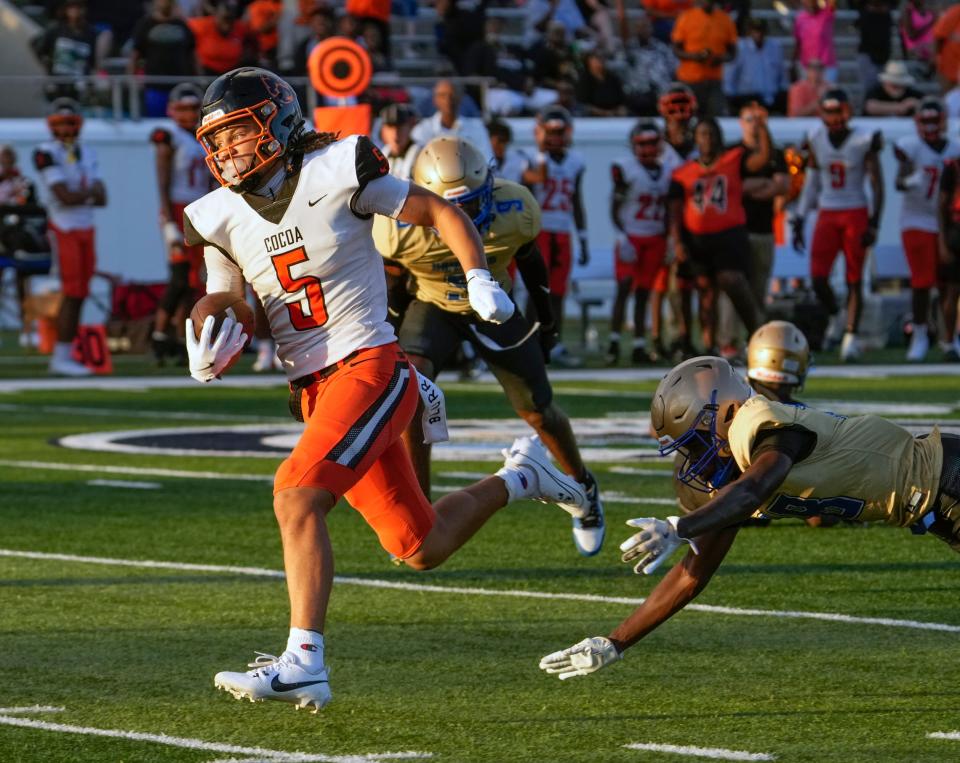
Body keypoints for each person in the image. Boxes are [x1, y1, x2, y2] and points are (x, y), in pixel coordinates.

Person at [184, 67, 593, 712]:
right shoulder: (217, 214)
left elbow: (434, 208)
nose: (227, 150)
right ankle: (522, 477)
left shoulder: (337, 167)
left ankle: (304, 660)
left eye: (239, 132)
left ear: (278, 122)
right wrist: (211, 331)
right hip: (315, 386)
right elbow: (229, 297)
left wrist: (479, 274)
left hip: (369, 365)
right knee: (418, 545)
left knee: (295, 496)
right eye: (218, 139)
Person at [538, 354, 958, 680]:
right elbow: (690, 575)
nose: (694, 459)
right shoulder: (738, 478)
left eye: (695, 442)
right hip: (937, 503)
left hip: (949, 480)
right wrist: (614, 642)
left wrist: (679, 527)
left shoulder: (761, 423)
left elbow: (754, 489)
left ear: (719, 413)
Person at [374, 136, 606, 557]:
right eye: (452, 207)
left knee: (538, 409)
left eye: (474, 203)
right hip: (433, 303)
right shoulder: (398, 227)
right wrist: (387, 335)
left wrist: (547, 322)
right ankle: (418, 506)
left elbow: (534, 266)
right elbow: (393, 284)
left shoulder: (513, 208)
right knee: (412, 389)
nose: (465, 216)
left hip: (493, 303)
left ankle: (582, 487)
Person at [792, 88, 883, 362]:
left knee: (854, 278)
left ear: (847, 111)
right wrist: (799, 216)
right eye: (829, 111)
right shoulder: (815, 137)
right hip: (827, 211)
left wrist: (874, 222)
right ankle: (837, 315)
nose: (834, 117)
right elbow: (813, 181)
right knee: (818, 279)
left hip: (855, 209)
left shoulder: (864, 139)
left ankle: (850, 338)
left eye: (838, 111)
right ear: (822, 112)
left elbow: (878, 185)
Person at [668, 115, 768, 354]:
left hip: (728, 236)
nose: (708, 139)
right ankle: (708, 346)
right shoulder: (683, 173)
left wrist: (762, 128)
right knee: (705, 291)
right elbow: (674, 211)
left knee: (733, 281)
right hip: (697, 239)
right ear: (696, 139)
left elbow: (762, 159)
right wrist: (678, 241)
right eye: (703, 134)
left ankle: (756, 335)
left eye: (712, 134)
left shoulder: (733, 160)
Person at [33, 98, 107, 377]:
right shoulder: (45, 152)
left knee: (81, 292)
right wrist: (86, 195)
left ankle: (66, 353)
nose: (65, 130)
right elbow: (63, 196)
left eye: (70, 124)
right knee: (72, 292)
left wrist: (81, 196)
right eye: (60, 125)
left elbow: (103, 197)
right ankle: (60, 354)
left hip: (86, 226)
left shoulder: (86, 151)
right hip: (63, 227)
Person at [894, 98, 960, 363]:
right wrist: (911, 180)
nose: (931, 126)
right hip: (916, 219)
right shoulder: (909, 147)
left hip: (946, 221)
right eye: (926, 121)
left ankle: (947, 337)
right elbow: (899, 180)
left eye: (935, 120)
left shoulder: (954, 149)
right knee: (921, 282)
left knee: (947, 284)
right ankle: (920, 334)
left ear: (943, 120)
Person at [148, 83, 209, 366]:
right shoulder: (168, 137)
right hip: (177, 209)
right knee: (180, 276)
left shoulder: (204, 137)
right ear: (172, 110)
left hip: (201, 210)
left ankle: (186, 338)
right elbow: (163, 181)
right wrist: (169, 220)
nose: (188, 114)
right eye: (182, 108)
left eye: (193, 108)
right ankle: (160, 333)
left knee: (196, 280)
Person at [523, 106, 588, 367]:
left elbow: (576, 200)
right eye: (551, 132)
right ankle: (528, 341)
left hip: (562, 231)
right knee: (535, 288)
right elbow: (533, 183)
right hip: (539, 230)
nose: (557, 138)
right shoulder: (529, 157)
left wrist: (583, 236)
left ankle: (553, 343)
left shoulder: (576, 162)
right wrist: (540, 151)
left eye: (560, 132)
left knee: (558, 292)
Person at [607, 122, 672, 366]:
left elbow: (668, 211)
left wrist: (670, 239)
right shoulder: (626, 169)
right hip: (632, 235)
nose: (648, 149)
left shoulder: (667, 171)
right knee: (624, 288)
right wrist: (622, 237)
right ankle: (613, 343)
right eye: (642, 144)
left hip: (656, 237)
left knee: (644, 292)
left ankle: (638, 345)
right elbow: (614, 207)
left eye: (652, 143)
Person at [651, 84, 697, 360]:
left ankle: (684, 336)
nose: (679, 118)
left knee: (684, 286)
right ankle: (659, 338)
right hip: (658, 224)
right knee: (660, 287)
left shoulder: (696, 147)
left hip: (690, 224)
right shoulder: (657, 148)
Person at [737, 102, 788, 317]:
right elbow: (736, 187)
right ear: (741, 123)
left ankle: (754, 337)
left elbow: (781, 186)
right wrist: (765, 184)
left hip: (764, 228)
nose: (754, 125)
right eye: (750, 120)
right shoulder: (735, 153)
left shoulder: (776, 153)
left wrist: (751, 188)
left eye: (759, 120)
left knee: (759, 287)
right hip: (738, 230)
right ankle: (728, 341)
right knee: (736, 287)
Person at [0, 146, 47, 347]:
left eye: (9, 156)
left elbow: (32, 207)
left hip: (18, 241)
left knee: (23, 285)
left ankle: (27, 327)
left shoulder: (24, 182)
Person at [129, 0, 198, 118]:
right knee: (156, 122)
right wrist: (132, 77)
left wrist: (197, 77)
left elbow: (192, 54)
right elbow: (135, 54)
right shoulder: (145, 24)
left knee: (183, 122)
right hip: (155, 84)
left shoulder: (182, 25)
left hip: (180, 84)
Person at [671, 0, 738, 118]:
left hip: (713, 81)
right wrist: (695, 56)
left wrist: (719, 58)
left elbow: (732, 53)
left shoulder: (725, 19)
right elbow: (676, 49)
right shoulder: (687, 17)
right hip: (689, 80)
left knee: (717, 117)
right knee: (687, 117)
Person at [32, 0, 102, 102]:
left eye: (78, 8)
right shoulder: (56, 29)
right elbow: (37, 47)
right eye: (71, 8)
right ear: (65, 10)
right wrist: (46, 64)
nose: (74, 11)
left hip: (79, 82)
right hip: (57, 79)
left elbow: (92, 59)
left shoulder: (90, 32)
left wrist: (91, 82)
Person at [410, 80, 492, 163]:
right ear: (435, 100)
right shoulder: (422, 129)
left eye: (452, 95)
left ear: (460, 98)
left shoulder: (477, 127)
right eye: (442, 95)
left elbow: (488, 161)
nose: (448, 100)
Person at [617, 10, 677, 116]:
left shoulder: (662, 49)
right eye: (639, 27)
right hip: (638, 98)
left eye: (645, 26)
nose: (643, 30)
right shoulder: (630, 49)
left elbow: (675, 68)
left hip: (661, 97)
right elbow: (623, 36)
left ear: (651, 29)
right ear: (635, 30)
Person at [723, 18, 785, 114]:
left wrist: (783, 91)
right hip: (748, 98)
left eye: (761, 30)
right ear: (749, 32)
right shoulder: (741, 47)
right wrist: (731, 98)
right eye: (755, 31)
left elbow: (781, 73)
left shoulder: (775, 47)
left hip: (771, 97)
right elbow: (731, 75)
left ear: (765, 31)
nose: (758, 34)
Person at [187, 0, 254, 75]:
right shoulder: (201, 26)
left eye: (231, 19)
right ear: (216, 15)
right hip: (206, 73)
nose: (228, 23)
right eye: (225, 18)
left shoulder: (240, 28)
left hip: (231, 73)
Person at [937, 155, 960, 361]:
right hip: (956, 233)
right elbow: (942, 205)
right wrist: (943, 241)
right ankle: (949, 340)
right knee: (952, 290)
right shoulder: (953, 167)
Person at [854, 0, 894, 94]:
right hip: (868, 56)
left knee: (883, 91)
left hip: (883, 55)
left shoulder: (887, 16)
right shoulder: (865, 15)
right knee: (870, 90)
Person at [793, 0, 837, 84]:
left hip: (826, 66)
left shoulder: (827, 14)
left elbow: (832, 2)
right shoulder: (800, 18)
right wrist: (793, 63)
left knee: (826, 96)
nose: (810, 3)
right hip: (806, 67)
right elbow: (798, 43)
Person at [577, 50, 628, 117]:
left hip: (615, 114)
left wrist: (621, 109)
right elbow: (583, 104)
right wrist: (604, 113)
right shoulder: (584, 79)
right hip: (592, 116)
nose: (600, 60)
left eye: (601, 58)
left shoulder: (612, 78)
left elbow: (622, 98)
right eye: (597, 58)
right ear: (589, 61)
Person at [378, 103, 421, 180]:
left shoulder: (421, 155)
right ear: (383, 130)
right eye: (390, 128)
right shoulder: (380, 155)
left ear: (410, 127)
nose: (395, 135)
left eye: (400, 127)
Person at [488, 119, 529, 186]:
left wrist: (541, 151)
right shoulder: (477, 160)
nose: (503, 146)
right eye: (500, 140)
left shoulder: (516, 160)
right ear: (488, 138)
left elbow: (539, 177)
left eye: (505, 142)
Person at [933, 2, 960, 89]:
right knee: (949, 98)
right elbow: (938, 36)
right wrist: (935, 57)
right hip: (951, 68)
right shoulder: (956, 12)